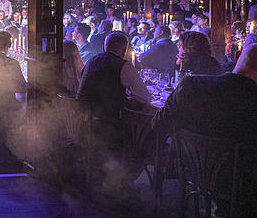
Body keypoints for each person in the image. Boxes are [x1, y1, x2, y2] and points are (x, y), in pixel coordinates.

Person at [152, 43, 257, 214]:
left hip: (189, 171)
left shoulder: (191, 85)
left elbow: (158, 124)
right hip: (239, 185)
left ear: (237, 56)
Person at [77, 32, 151, 144]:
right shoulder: (123, 66)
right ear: (124, 50)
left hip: (81, 121)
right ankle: (131, 159)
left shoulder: (90, 61)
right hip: (107, 126)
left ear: (104, 47)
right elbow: (145, 98)